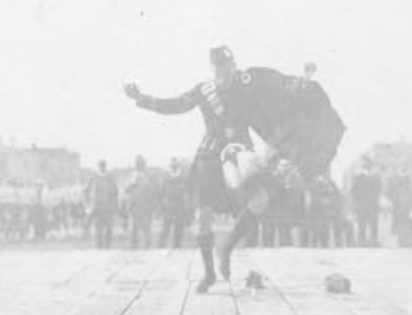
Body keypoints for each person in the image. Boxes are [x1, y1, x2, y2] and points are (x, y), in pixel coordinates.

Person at [124, 47, 345, 291]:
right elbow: (175, 105)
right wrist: (141, 98)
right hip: (210, 157)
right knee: (203, 217)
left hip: (242, 155)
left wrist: (296, 85)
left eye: (227, 65)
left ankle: (227, 247)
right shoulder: (203, 90)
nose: (224, 70)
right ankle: (209, 274)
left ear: (234, 65)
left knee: (260, 200)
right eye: (219, 66)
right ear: (213, 68)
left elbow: (274, 86)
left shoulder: (247, 83)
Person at [124, 155, 158, 249]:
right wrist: (132, 183)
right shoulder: (131, 175)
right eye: (138, 164)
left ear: (144, 164)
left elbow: (154, 191)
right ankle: (133, 250)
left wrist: (154, 206)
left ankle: (147, 251)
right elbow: (126, 189)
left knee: (147, 231)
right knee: (133, 231)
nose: (139, 165)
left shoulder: (150, 176)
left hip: (146, 208)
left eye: (141, 163)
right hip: (134, 207)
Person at [86, 160, 119, 249]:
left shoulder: (110, 178)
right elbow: (87, 191)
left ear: (105, 166)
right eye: (101, 166)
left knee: (109, 227)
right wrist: (88, 204)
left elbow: (115, 192)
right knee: (98, 227)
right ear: (98, 167)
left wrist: (114, 205)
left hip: (108, 206)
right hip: (97, 206)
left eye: (103, 166)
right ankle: (99, 246)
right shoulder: (94, 178)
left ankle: (107, 245)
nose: (102, 167)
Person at [351, 158, 382, 247]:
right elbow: (354, 192)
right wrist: (359, 202)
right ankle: (363, 242)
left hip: (371, 205)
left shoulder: (375, 178)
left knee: (372, 225)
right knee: (363, 225)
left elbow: (378, 191)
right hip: (364, 206)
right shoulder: (358, 178)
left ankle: (373, 241)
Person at [160, 158, 190, 249]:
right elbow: (161, 192)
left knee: (179, 228)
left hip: (179, 206)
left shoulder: (183, 177)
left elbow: (187, 191)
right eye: (172, 166)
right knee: (165, 228)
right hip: (168, 206)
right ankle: (161, 246)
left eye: (175, 166)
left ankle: (177, 246)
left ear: (178, 166)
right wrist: (163, 203)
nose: (173, 167)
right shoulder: (166, 177)